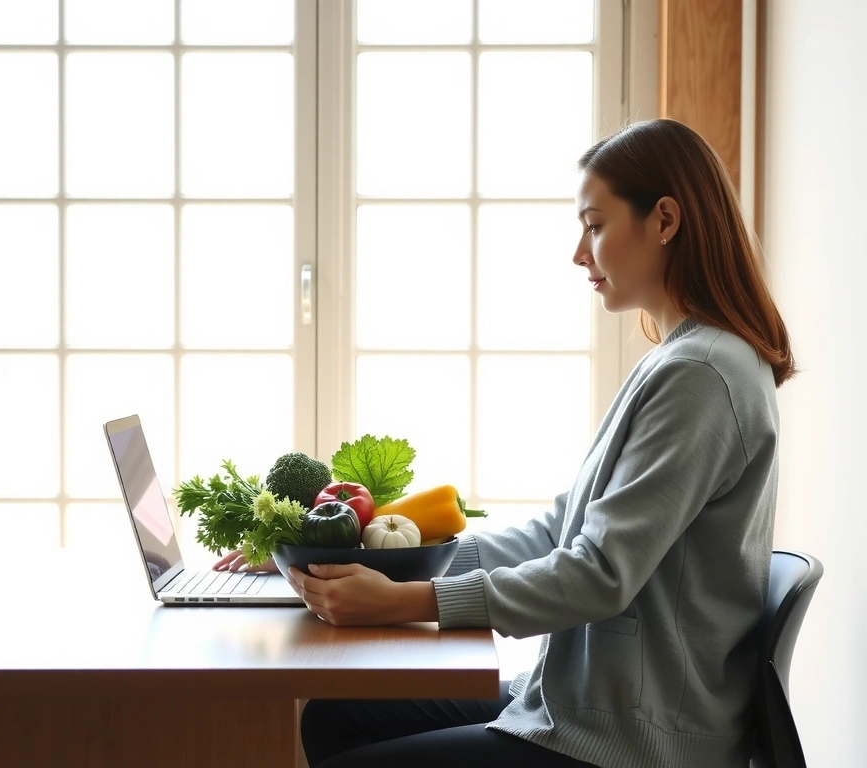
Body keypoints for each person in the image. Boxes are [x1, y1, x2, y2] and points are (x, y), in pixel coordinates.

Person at [214, 118, 795, 768]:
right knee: (337, 717)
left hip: (628, 741)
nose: (580, 253)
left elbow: (600, 575)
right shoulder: (683, 362)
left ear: (664, 220)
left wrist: (408, 601)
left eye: (595, 226)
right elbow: (556, 536)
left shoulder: (701, 376)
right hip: (586, 703)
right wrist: (358, 562)